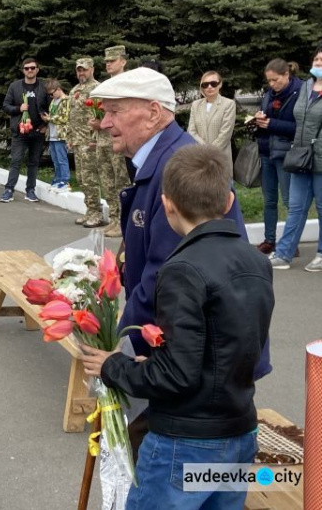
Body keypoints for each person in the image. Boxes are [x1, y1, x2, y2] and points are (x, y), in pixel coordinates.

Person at [89, 67, 271, 460]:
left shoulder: (178, 167)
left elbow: (166, 276)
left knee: (168, 476)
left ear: (154, 113)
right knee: (212, 485)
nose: (104, 122)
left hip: (190, 381)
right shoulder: (161, 158)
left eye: (115, 111)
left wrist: (121, 349)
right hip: (206, 375)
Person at [80, 144, 273, 510]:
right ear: (230, 200)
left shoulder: (181, 269)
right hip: (238, 431)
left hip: (185, 441)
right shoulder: (255, 261)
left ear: (167, 204)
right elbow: (225, 346)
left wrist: (112, 366)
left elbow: (177, 375)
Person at [269, 45, 322, 272]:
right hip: (301, 157)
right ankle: (283, 254)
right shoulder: (307, 86)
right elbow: (298, 119)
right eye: (317, 58)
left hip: (320, 158)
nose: (318, 62)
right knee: (296, 208)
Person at [253, 59, 302, 255]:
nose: (272, 84)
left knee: (290, 201)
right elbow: (266, 119)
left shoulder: (300, 93)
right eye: (269, 81)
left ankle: (292, 243)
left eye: (275, 80)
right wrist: (258, 121)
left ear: (286, 75)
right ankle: (269, 240)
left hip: (286, 154)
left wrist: (271, 124)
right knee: (269, 200)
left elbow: (299, 128)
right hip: (267, 152)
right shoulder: (268, 94)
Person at [90, 45, 131, 236]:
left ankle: (124, 222)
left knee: (121, 181)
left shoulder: (128, 85)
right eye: (106, 61)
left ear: (123, 61)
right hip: (103, 139)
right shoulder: (105, 86)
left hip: (119, 140)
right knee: (107, 181)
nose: (108, 64)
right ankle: (115, 219)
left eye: (112, 61)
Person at [0, 57, 50, 203]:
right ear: (23, 71)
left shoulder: (43, 87)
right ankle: (9, 190)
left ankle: (30, 190)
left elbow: (50, 107)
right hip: (20, 131)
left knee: (33, 162)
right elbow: (6, 106)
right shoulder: (15, 87)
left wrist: (45, 126)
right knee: (16, 160)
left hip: (37, 131)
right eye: (27, 68)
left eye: (32, 68)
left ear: (37, 70)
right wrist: (18, 108)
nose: (30, 70)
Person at [69, 57, 104, 225]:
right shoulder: (75, 89)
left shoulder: (97, 89)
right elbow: (71, 115)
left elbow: (99, 116)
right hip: (77, 140)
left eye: (84, 69)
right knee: (81, 178)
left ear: (92, 69)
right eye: (79, 70)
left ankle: (96, 213)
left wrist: (94, 139)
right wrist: (69, 137)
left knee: (90, 178)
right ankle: (89, 210)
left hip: (89, 141)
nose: (81, 72)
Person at [187, 71, 237, 174]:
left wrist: (209, 153)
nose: (209, 87)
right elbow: (191, 131)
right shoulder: (195, 105)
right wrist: (204, 150)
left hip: (220, 161)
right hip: (199, 161)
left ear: (220, 84)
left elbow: (225, 135)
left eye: (213, 83)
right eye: (205, 84)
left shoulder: (228, 104)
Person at [41, 78, 72, 192]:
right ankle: (58, 179)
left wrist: (49, 118)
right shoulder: (54, 101)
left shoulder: (66, 100)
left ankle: (65, 181)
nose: (51, 96)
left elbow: (65, 118)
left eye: (52, 93)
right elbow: (53, 116)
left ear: (58, 89)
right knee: (55, 159)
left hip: (60, 134)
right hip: (52, 134)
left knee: (62, 158)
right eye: (49, 94)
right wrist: (47, 118)